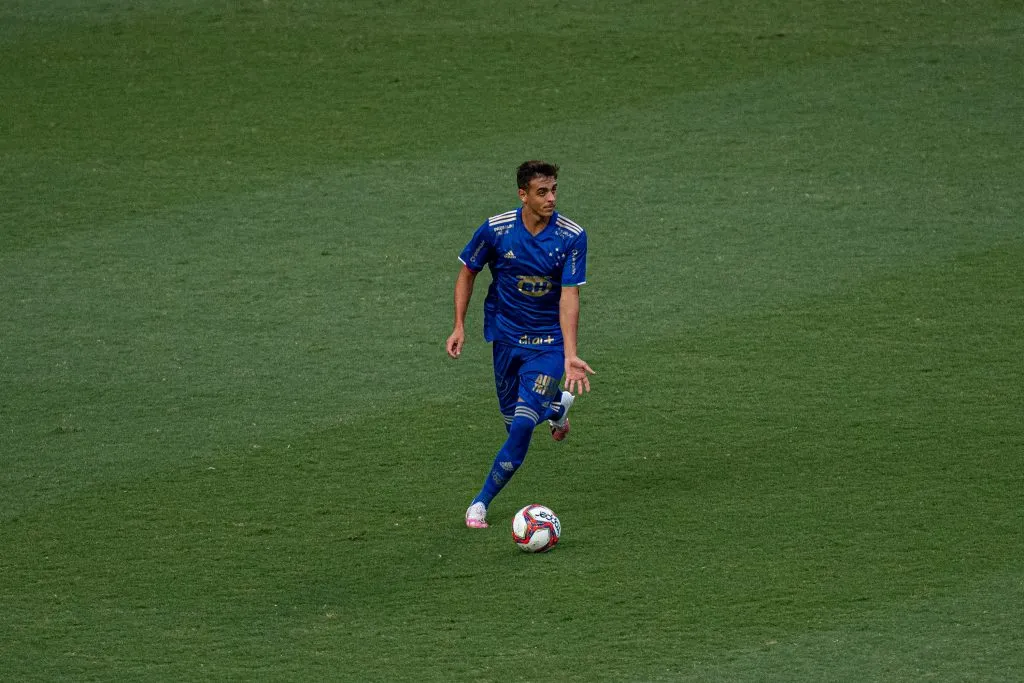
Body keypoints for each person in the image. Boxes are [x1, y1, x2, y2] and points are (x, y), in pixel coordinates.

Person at [446, 160, 595, 529]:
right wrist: (459, 326)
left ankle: (480, 502)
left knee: (522, 425)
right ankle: (556, 408)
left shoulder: (571, 235)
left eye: (554, 190)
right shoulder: (496, 231)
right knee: (512, 419)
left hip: (547, 345)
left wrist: (570, 354)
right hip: (505, 338)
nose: (551, 198)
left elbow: (569, 296)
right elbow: (468, 271)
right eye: (542, 192)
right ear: (523, 195)